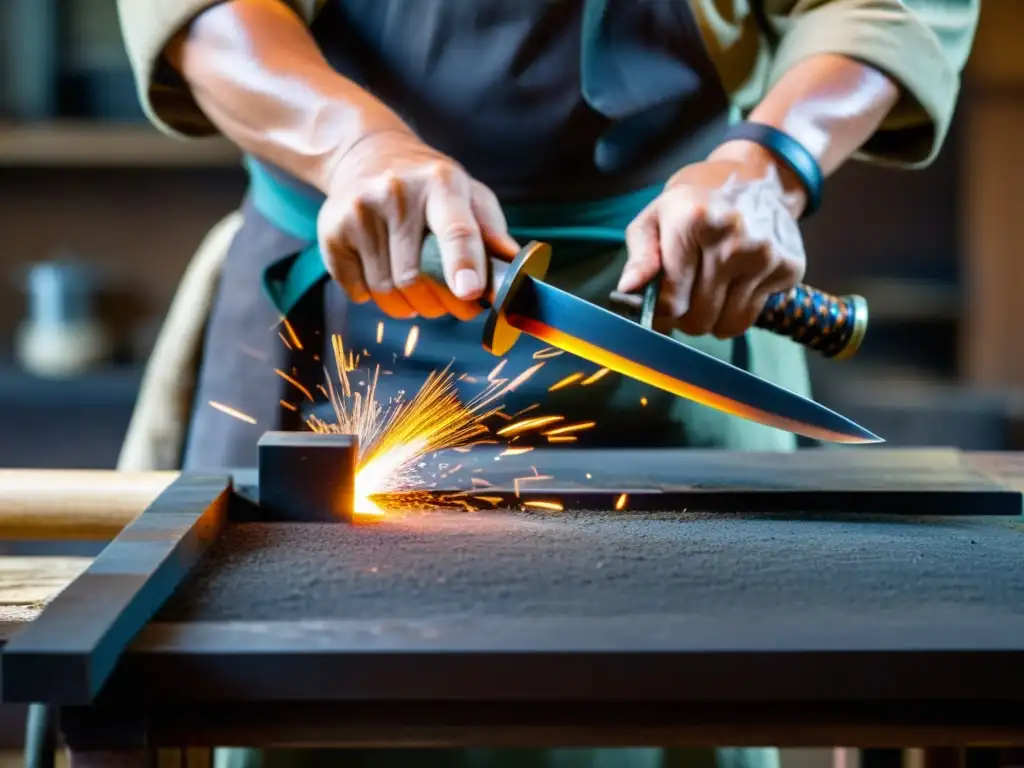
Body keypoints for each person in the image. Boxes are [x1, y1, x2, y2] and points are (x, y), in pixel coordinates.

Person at [110, 1, 977, 767]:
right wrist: (356, 146)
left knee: (689, 701)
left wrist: (773, 158)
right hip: (338, 292)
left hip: (677, 301)